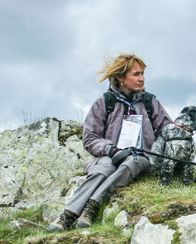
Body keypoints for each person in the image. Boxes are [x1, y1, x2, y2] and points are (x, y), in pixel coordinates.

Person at [47, 54, 173, 232]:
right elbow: (90, 138)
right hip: (109, 156)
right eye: (136, 74)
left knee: (133, 161)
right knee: (104, 167)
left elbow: (167, 130)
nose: (141, 79)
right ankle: (67, 216)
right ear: (120, 78)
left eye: (142, 74)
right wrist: (110, 150)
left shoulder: (149, 102)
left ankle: (93, 206)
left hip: (141, 157)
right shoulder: (104, 103)